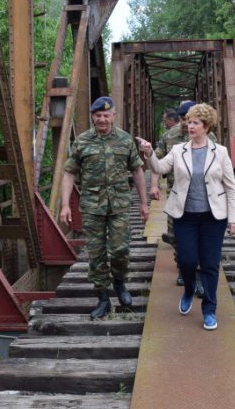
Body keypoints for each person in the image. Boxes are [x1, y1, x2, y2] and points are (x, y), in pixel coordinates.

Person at [137, 103, 235, 331]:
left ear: (206, 126)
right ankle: (189, 288)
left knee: (210, 264)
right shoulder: (178, 150)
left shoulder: (220, 152)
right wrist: (149, 152)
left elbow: (231, 188)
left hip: (213, 217)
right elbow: (159, 168)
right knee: (187, 260)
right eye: (189, 122)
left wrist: (234, 218)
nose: (189, 126)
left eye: (195, 123)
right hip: (185, 215)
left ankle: (209, 309)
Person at [61, 96, 149, 320]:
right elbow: (69, 172)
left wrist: (144, 203)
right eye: (98, 115)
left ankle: (119, 283)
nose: (102, 119)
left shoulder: (125, 140)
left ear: (113, 115)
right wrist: (65, 205)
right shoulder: (82, 141)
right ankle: (102, 298)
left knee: (120, 249)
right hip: (92, 206)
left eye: (106, 115)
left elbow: (137, 170)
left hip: (119, 204)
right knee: (96, 253)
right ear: (93, 116)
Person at [152, 100, 216, 294]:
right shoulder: (169, 136)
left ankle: (199, 274)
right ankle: (184, 269)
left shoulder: (209, 136)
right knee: (176, 236)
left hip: (202, 196)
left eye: (189, 118)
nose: (185, 122)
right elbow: (157, 161)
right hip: (177, 195)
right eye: (182, 118)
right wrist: (154, 185)